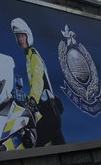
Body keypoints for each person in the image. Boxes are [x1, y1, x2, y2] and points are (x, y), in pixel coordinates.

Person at [11, 17, 65, 146]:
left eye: (22, 36)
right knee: (61, 146)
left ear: (28, 36)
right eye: (18, 37)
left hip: (49, 113)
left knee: (33, 143)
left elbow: (38, 80)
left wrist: (32, 100)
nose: (20, 39)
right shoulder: (29, 56)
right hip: (49, 113)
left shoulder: (33, 55)